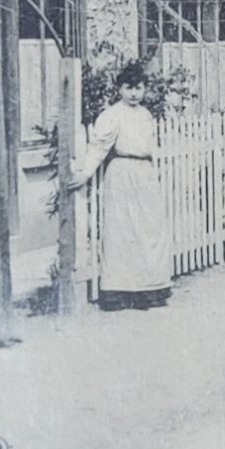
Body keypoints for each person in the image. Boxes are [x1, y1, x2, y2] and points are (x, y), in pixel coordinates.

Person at [66, 62, 172, 311]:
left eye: (139, 88)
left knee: (149, 230)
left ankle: (149, 290)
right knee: (122, 232)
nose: (134, 93)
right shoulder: (112, 115)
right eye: (128, 88)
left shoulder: (145, 115)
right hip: (122, 174)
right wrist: (86, 172)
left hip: (144, 173)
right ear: (119, 89)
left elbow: (151, 146)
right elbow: (99, 146)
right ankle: (120, 293)